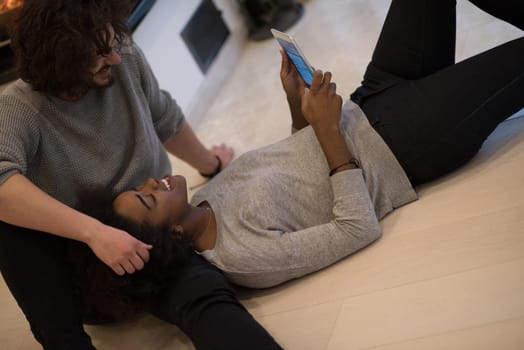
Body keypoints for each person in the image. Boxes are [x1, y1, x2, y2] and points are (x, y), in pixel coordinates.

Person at [105, 0, 523, 289]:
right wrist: (327, 131)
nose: (150, 183)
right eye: (147, 200)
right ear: (174, 235)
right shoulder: (240, 257)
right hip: (405, 145)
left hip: (372, 98)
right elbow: (356, 229)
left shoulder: (207, 195)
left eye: (139, 188)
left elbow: (297, 163)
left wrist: (297, 105)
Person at [0, 1, 281, 349]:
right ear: (63, 58)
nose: (115, 58)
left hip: (151, 237)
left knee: (204, 295)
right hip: (87, 261)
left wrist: (211, 163)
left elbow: (163, 117)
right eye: (101, 53)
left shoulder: (124, 57)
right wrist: (96, 234)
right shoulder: (19, 109)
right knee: (9, 222)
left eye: (113, 44)